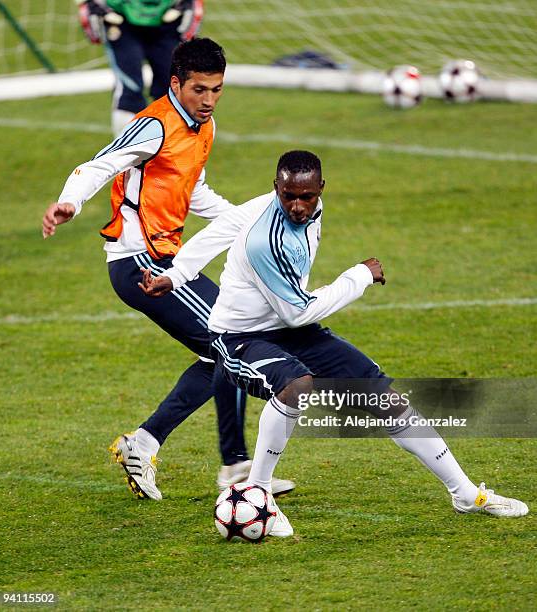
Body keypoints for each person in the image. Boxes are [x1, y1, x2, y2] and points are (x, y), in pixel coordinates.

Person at [140, 149, 529, 535]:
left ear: (321, 189)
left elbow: (221, 229)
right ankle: (258, 493)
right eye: (288, 196)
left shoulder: (299, 208)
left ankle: (464, 493)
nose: (296, 206)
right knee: (296, 384)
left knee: (385, 398)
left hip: (285, 327)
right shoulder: (265, 241)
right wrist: (358, 277)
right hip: (240, 335)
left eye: (306, 196)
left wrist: (176, 275)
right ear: (275, 188)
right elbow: (300, 312)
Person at [41, 38, 295, 502]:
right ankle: (237, 469)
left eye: (217, 89)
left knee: (219, 353)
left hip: (166, 261)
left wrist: (245, 220)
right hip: (138, 262)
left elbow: (191, 192)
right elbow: (97, 165)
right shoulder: (155, 125)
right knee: (236, 346)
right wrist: (69, 203)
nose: (209, 100)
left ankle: (148, 443)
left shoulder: (204, 126)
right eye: (200, 89)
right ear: (176, 83)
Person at [77, 0, 204, 134]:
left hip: (170, 15)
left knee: (173, 90)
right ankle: (127, 151)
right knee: (130, 89)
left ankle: (171, 150)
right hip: (119, 17)